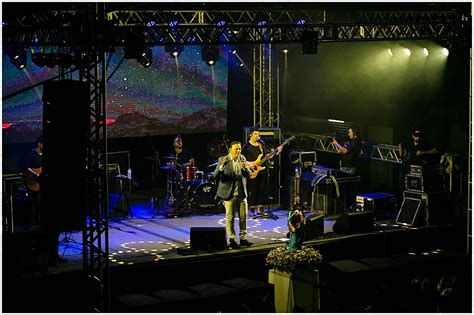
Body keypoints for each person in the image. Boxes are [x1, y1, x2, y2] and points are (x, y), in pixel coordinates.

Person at [213, 141, 253, 249]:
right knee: (230, 217)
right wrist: (222, 166)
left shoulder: (242, 159)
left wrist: (245, 168)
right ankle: (232, 239)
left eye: (239, 149)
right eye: (236, 149)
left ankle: (243, 238)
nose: (238, 151)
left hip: (241, 193)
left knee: (243, 217)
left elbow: (249, 174)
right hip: (229, 194)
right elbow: (215, 174)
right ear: (230, 150)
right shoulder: (223, 159)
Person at [242, 128, 282, 216]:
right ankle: (252, 207)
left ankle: (260, 207)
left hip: (262, 169)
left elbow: (266, 157)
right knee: (253, 189)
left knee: (262, 189)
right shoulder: (246, 146)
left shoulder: (261, 145)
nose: (257, 135)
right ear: (250, 135)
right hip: (251, 170)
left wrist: (276, 152)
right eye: (255, 134)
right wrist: (249, 164)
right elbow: (241, 159)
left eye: (258, 134)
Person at [23, 136, 43, 225]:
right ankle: (36, 223)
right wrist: (36, 173)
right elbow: (25, 168)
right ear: (39, 144)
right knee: (36, 203)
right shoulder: (30, 155)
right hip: (33, 182)